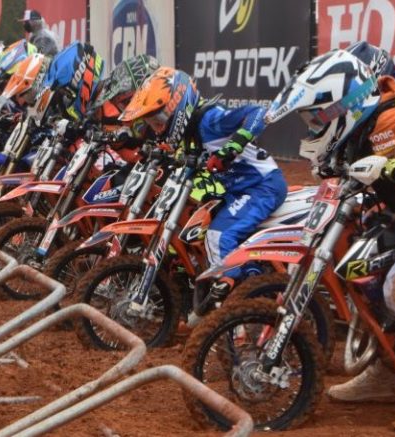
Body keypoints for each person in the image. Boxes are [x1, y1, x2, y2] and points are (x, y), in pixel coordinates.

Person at [264, 47, 395, 431]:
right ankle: (386, 373)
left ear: (342, 106)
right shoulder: (357, 134)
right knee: (363, 272)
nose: (312, 126)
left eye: (315, 117)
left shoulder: (388, 119)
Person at [119, 67, 288, 300]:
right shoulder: (191, 133)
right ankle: (252, 277)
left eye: (159, 120)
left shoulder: (210, 120)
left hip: (262, 186)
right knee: (198, 225)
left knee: (218, 236)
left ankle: (235, 291)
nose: (158, 128)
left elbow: (259, 113)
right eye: (153, 123)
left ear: (177, 103)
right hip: (237, 191)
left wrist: (232, 148)